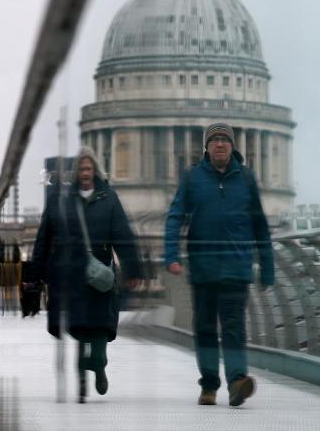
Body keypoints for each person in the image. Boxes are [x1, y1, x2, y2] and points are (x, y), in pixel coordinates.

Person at [164, 122, 274, 408]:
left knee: (234, 328)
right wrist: (171, 255)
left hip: (236, 269)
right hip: (203, 269)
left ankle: (237, 381)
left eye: (225, 140)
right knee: (205, 329)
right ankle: (209, 385)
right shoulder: (192, 178)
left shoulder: (246, 178)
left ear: (232, 146)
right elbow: (175, 217)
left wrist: (268, 267)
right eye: (214, 140)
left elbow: (260, 226)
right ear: (207, 147)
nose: (220, 144)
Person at [26, 147, 144, 403]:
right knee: (79, 326)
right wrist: (35, 273)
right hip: (73, 273)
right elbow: (44, 238)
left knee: (100, 325)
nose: (85, 173)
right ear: (76, 173)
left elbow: (123, 235)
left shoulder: (109, 198)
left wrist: (133, 268)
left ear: (95, 171)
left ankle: (98, 365)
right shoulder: (62, 200)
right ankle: (81, 377)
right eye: (81, 169)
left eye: (89, 168)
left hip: (100, 271)